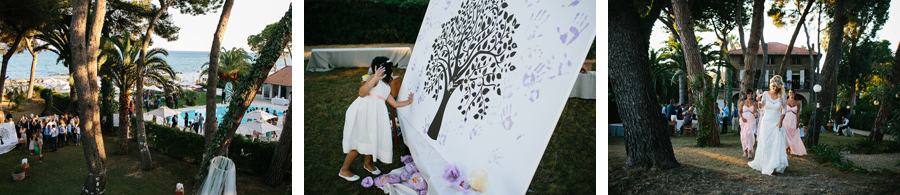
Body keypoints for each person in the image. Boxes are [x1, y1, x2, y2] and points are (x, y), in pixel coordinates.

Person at [339, 57, 414, 181]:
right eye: (391, 70)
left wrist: (408, 101)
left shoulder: (386, 87)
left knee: (371, 138)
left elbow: (394, 104)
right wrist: (374, 78)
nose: (392, 72)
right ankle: (344, 169)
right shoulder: (374, 81)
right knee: (359, 142)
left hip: (373, 117)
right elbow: (362, 93)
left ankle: (367, 164)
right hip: (362, 114)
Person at [748, 75, 789, 176]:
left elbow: (784, 110)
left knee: (776, 144)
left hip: (777, 121)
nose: (775, 88)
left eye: (777, 87)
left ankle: (773, 166)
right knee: (766, 144)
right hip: (766, 122)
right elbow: (761, 106)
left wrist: (780, 121)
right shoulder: (766, 94)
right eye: (773, 86)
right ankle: (766, 165)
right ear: (771, 85)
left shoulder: (783, 96)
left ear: (780, 86)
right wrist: (758, 100)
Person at [783, 89, 806, 156]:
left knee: (792, 135)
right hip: (786, 120)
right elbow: (781, 111)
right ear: (788, 93)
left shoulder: (797, 103)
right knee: (786, 135)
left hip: (793, 120)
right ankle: (787, 151)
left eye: (792, 92)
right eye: (790, 92)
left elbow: (798, 113)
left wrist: (797, 122)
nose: (791, 93)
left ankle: (791, 149)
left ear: (794, 94)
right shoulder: (785, 101)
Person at [739, 90, 759, 159]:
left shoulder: (754, 103)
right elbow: (739, 112)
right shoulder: (742, 102)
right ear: (746, 95)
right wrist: (742, 118)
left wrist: (756, 115)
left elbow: (755, 112)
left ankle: (750, 152)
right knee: (743, 136)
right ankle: (745, 150)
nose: (750, 95)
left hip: (751, 120)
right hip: (744, 120)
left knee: (749, 134)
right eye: (749, 94)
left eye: (751, 94)